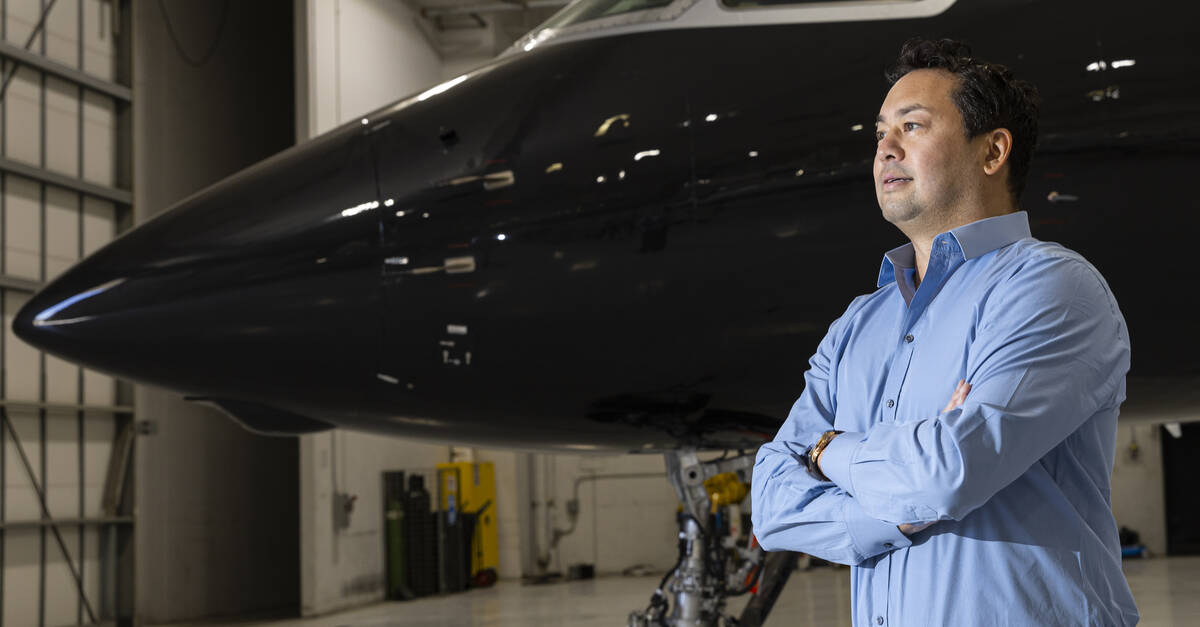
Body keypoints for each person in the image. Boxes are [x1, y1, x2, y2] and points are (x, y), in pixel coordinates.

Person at [751, 38, 1139, 626]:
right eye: (880, 132)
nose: (885, 148)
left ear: (993, 151)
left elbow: (946, 473)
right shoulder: (861, 323)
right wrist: (896, 508)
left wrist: (828, 449)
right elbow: (771, 503)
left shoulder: (1052, 289)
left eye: (912, 126)